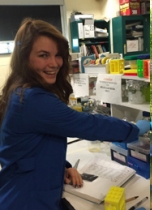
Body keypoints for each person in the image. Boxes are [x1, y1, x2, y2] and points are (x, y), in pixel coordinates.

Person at [0, 18, 139, 210]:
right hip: (25, 201)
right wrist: (135, 129)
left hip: (27, 191)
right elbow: (88, 124)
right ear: (25, 58)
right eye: (43, 55)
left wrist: (63, 166)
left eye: (58, 55)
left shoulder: (18, 90)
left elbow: (30, 145)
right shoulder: (31, 99)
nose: (54, 63)